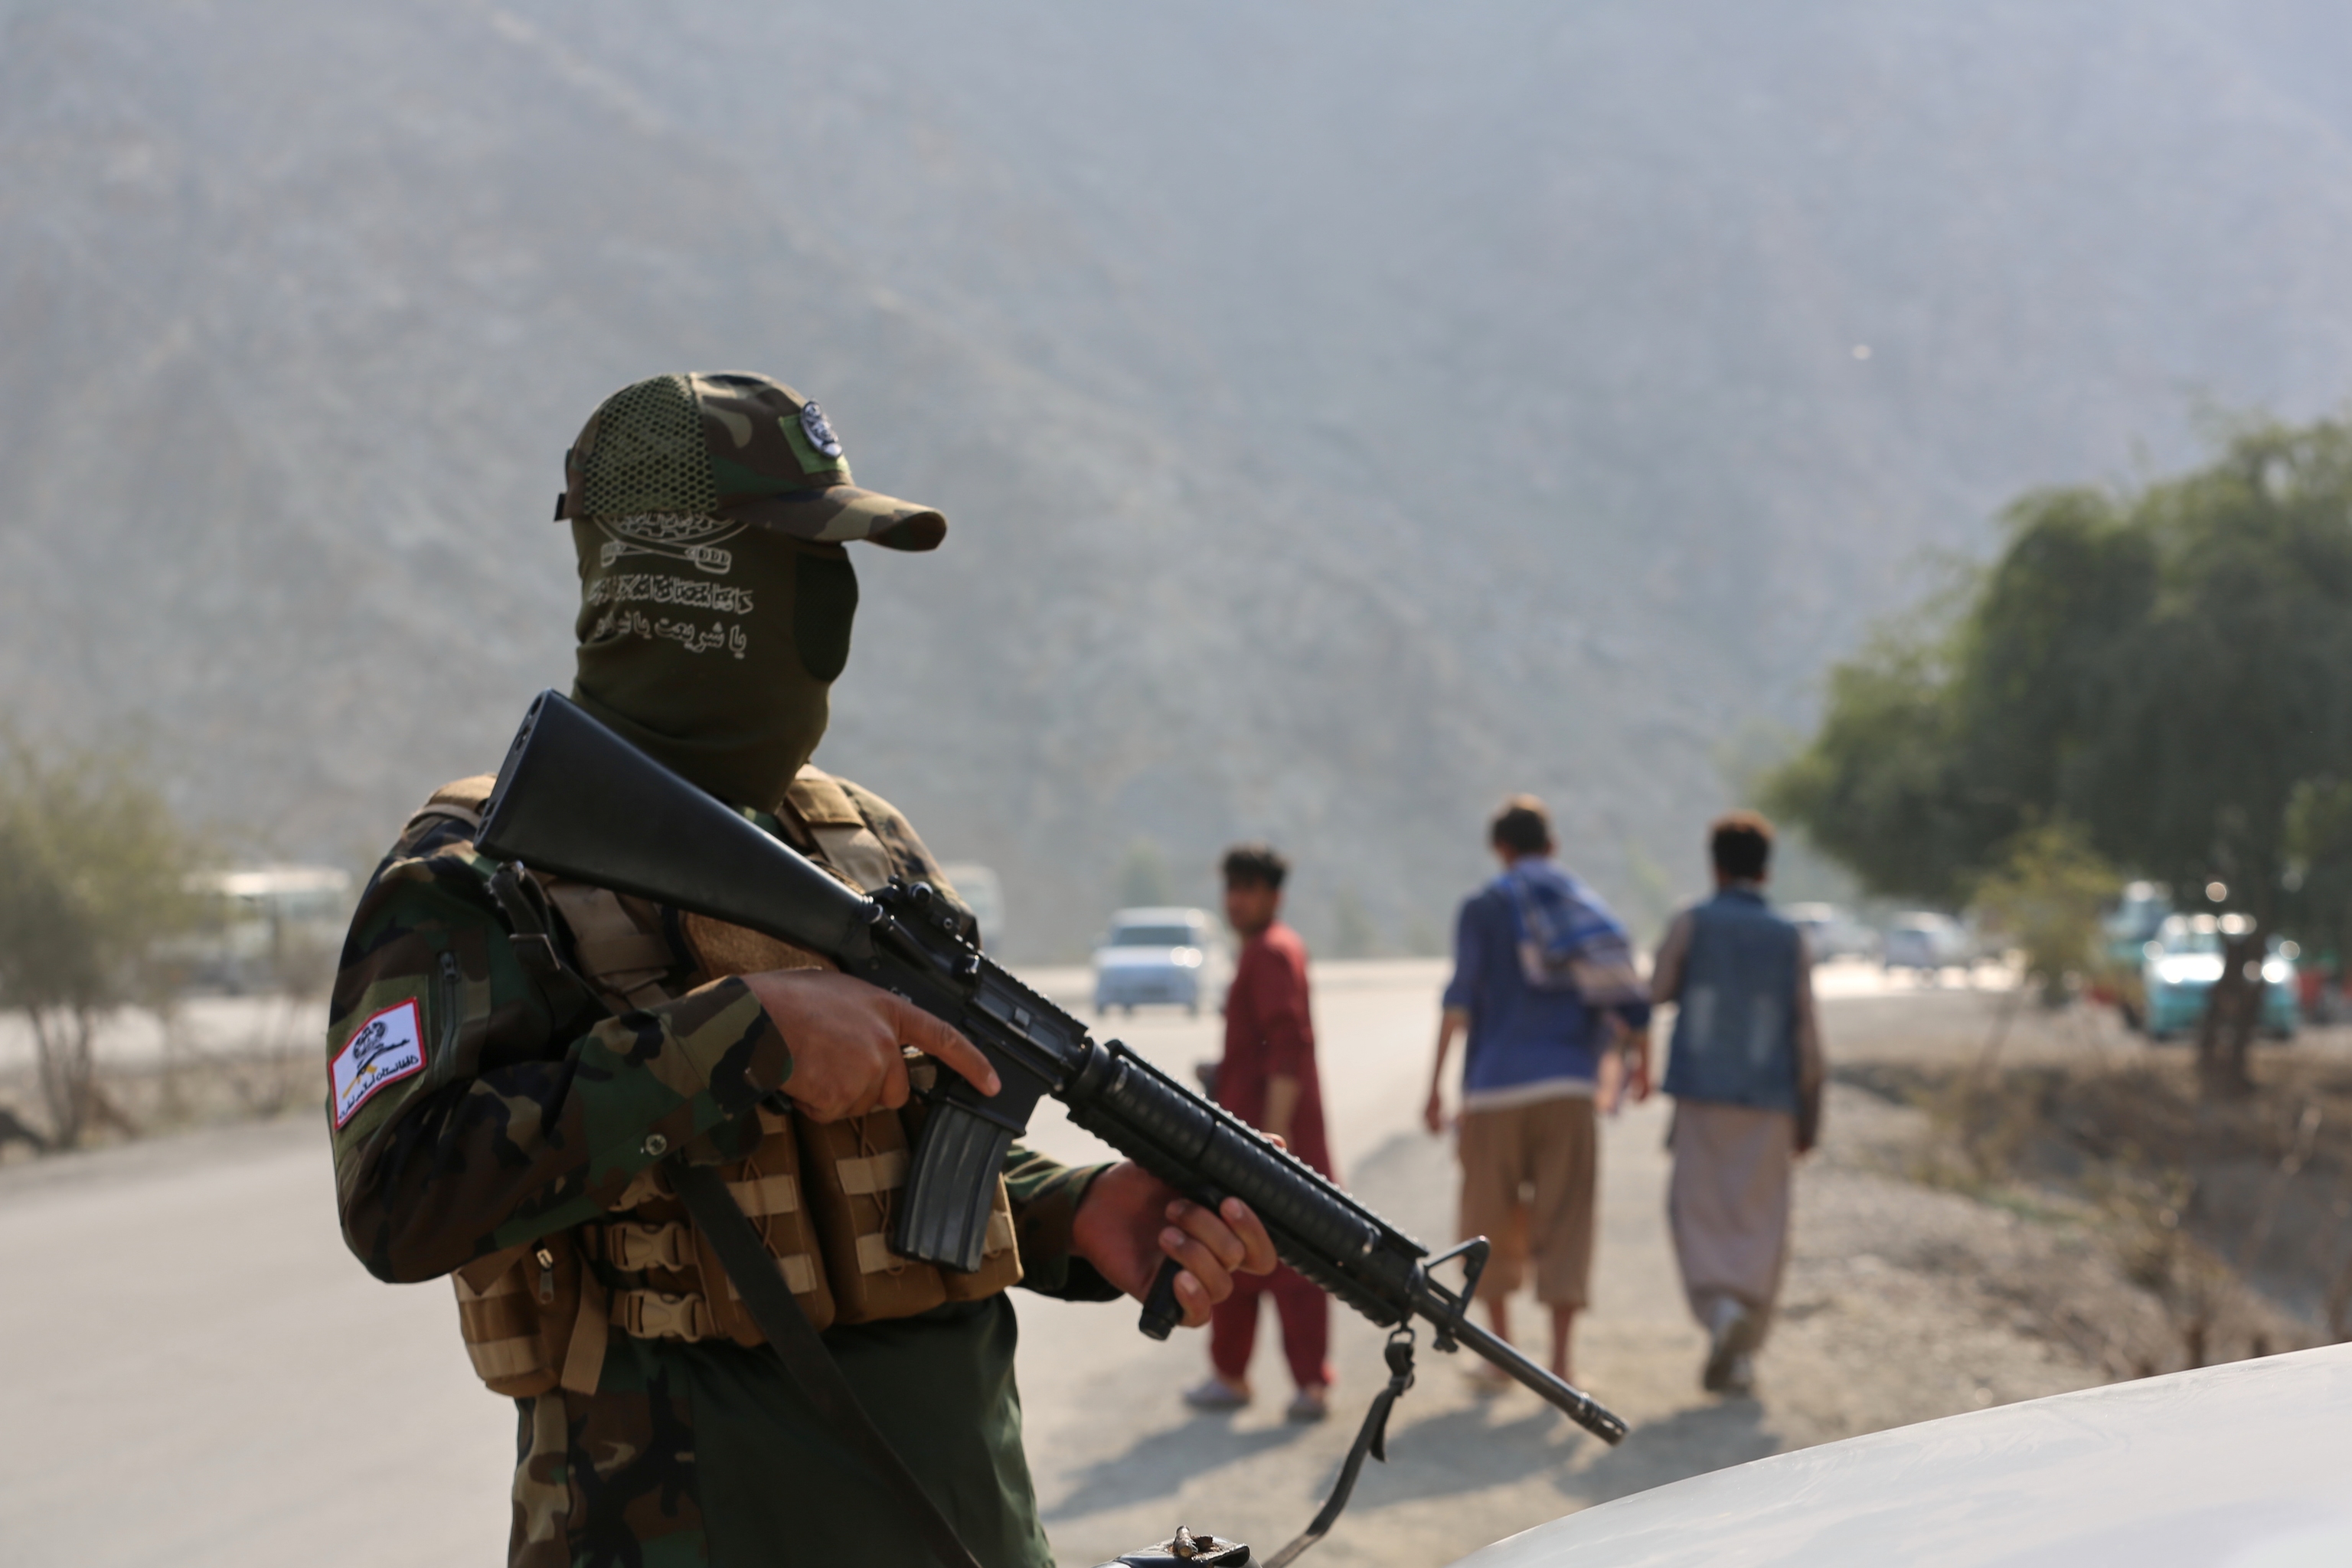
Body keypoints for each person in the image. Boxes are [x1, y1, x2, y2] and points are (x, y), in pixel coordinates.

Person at [324, 371, 1276, 1568]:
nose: (832, 603)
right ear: (686, 578)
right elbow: (400, 1199)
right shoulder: (480, 871)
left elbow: (916, 1158)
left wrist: (1077, 1217)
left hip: (964, 1527)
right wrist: (739, 1044)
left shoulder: (861, 842)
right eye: (805, 559)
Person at [1423, 795, 1651, 1387]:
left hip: (1495, 1089)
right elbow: (1631, 999)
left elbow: (1459, 1001)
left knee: (1488, 1221)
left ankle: (1501, 1358)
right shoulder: (1580, 908)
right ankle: (1561, 1362)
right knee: (1568, 1219)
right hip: (1570, 1087)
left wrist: (1435, 1089)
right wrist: (1644, 1066)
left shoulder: (1484, 906)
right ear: (1552, 847)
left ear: (1500, 849)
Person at [1649, 810, 1825, 1397]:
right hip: (1772, 1101)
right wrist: (1811, 1115)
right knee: (1761, 1222)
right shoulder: (1789, 936)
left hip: (1703, 1096)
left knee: (1697, 1211)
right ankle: (1745, 1350)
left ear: (1715, 866)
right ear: (1766, 872)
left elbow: (1656, 991)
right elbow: (1806, 1035)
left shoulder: (1692, 922)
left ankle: (1722, 1313)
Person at [1183, 844, 1336, 1423]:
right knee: (1237, 1257)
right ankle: (1231, 1373)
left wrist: (1272, 1144)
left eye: (1250, 888)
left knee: (1294, 1263)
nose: (1238, 900)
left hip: (1273, 1143)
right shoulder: (1258, 952)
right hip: (1247, 1135)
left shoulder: (1272, 952)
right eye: (1233, 887)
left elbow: (1288, 1046)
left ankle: (1310, 1385)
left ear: (1275, 896)